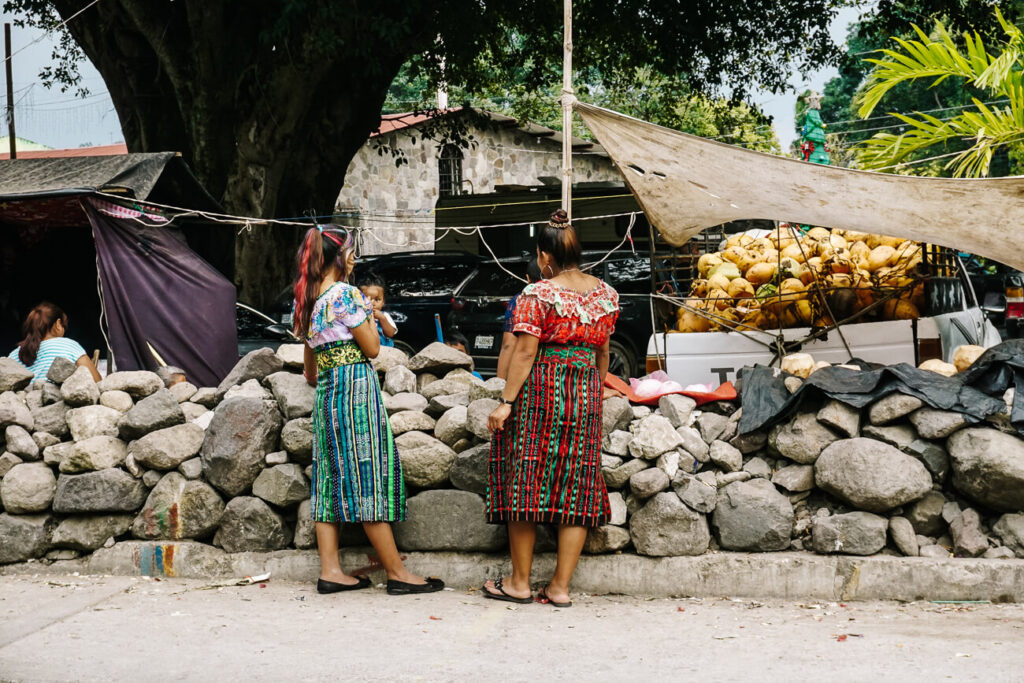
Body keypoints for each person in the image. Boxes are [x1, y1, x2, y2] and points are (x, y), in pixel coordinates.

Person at [293, 225, 443, 596]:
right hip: (355, 389)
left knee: (329, 479)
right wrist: (368, 315)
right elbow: (373, 348)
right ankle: (397, 573)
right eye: (350, 253)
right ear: (338, 258)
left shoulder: (311, 299)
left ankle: (331, 570)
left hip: (327, 393)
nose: (354, 259)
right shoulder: (346, 295)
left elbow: (309, 371)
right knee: (368, 473)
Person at [484, 209, 620, 607]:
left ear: (545, 256)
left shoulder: (537, 294)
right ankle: (560, 588)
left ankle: (519, 583)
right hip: (585, 393)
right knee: (576, 485)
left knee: (527, 480)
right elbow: (604, 353)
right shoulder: (607, 295)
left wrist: (506, 402)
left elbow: (525, 352)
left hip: (542, 390)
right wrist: (594, 391)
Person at [8, 302, 101, 382]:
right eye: (64, 324)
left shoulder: (13, 356)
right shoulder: (68, 346)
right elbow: (97, 382)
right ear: (58, 324)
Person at [496, 259, 544, 379]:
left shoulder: (521, 300)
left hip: (527, 374)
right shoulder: (566, 298)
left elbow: (509, 344)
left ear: (528, 278)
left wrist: (500, 384)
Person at [357, 272, 397, 348]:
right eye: (367, 299)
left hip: (384, 351)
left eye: (377, 299)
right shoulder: (358, 315)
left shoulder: (384, 315)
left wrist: (382, 318)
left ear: (383, 302)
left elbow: (390, 334)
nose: (372, 303)